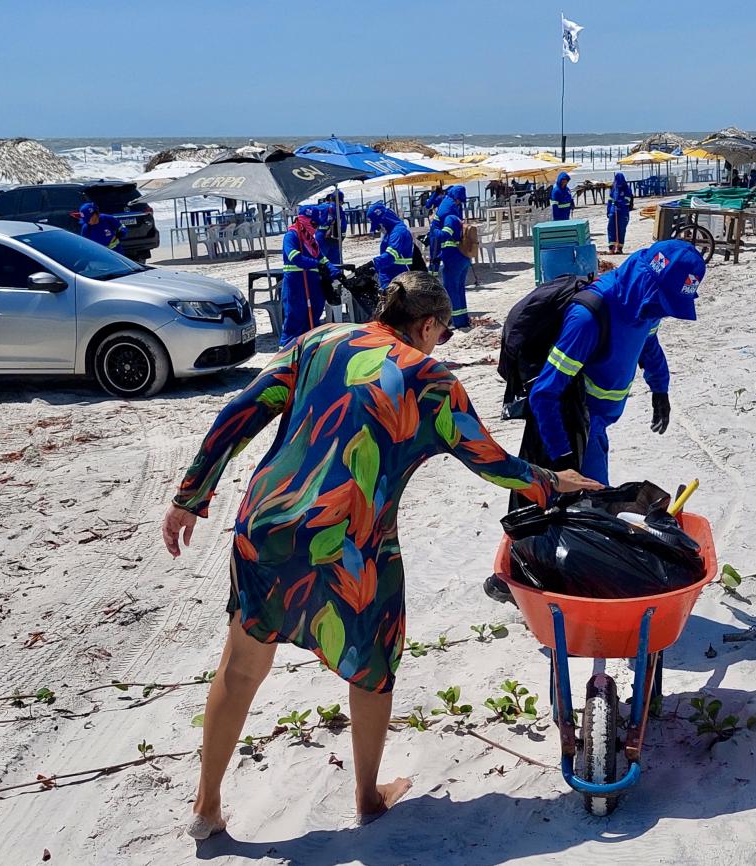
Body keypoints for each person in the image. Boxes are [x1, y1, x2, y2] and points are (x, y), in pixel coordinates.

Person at [162, 271, 601, 838]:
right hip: (353, 539)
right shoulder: (430, 379)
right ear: (427, 325)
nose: (437, 345)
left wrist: (190, 498)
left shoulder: (315, 341)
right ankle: (367, 797)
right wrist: (553, 482)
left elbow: (238, 415)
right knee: (373, 665)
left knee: (242, 664)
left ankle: (206, 807)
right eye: (440, 335)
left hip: (267, 521)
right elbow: (493, 462)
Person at [484, 240, 705, 602]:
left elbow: (647, 343)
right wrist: (564, 461)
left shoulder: (644, 306)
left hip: (599, 424)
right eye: (660, 303)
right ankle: (520, 581)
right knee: (587, 512)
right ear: (646, 283)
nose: (660, 313)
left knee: (582, 509)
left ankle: (524, 574)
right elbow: (544, 393)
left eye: (667, 308)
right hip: (574, 426)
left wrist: (659, 387)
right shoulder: (589, 316)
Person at [279, 205, 339, 346]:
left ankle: (309, 348)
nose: (316, 227)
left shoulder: (312, 241)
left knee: (314, 314)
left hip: (313, 283)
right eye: (314, 223)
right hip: (296, 283)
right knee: (295, 317)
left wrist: (332, 269)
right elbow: (296, 258)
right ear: (305, 220)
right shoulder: (291, 236)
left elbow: (321, 258)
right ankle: (286, 352)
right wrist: (315, 264)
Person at [436, 186, 471, 328]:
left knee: (451, 289)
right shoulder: (457, 216)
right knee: (459, 289)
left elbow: (444, 235)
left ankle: (457, 322)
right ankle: (462, 319)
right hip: (463, 257)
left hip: (453, 258)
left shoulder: (449, 218)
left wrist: (434, 230)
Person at [367, 201, 414, 290]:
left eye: (378, 226)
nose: (379, 230)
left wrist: (373, 264)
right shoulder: (390, 232)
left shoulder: (397, 233)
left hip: (396, 280)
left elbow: (391, 256)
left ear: (384, 220)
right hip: (389, 278)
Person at [606, 172, 634, 255]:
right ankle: (612, 247)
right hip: (613, 211)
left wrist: (620, 203)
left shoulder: (627, 189)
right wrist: (608, 210)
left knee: (621, 229)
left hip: (623, 211)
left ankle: (619, 247)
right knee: (611, 229)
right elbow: (610, 200)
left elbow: (628, 200)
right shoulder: (614, 188)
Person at [318, 191, 347, 266]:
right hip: (335, 236)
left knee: (321, 260)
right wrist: (342, 236)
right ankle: (335, 276)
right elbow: (343, 225)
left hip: (320, 235)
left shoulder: (320, 207)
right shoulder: (338, 208)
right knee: (335, 261)